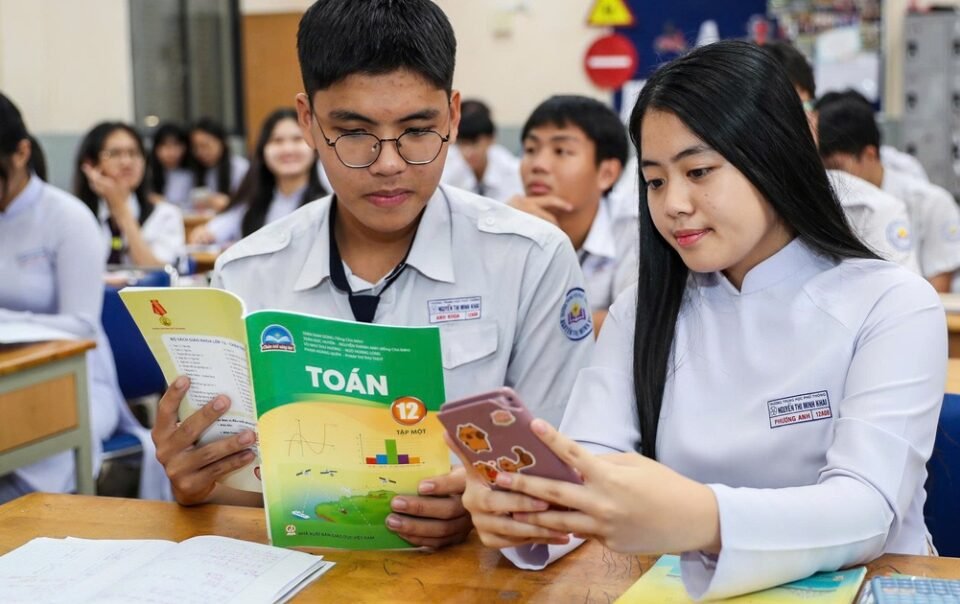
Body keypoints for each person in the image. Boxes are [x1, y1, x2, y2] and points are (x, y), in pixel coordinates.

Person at [455, 41, 945, 600]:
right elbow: (589, 470)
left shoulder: (891, 303)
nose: (673, 204)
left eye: (699, 171)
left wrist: (704, 518)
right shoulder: (644, 308)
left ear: (774, 157)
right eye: (657, 180)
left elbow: (866, 510)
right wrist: (527, 512)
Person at [150, 0, 593, 549]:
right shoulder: (249, 273)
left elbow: (572, 466)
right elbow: (245, 491)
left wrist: (482, 504)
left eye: (416, 129)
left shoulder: (528, 259)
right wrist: (199, 484)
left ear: (453, 115)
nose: (388, 162)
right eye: (355, 131)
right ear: (308, 121)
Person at [0, 93, 169, 502]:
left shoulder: (67, 217)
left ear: (21, 153)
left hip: (76, 382)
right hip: (8, 379)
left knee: (28, 477)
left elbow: (80, 323)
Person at [761, 41, 921, 274]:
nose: (784, 126)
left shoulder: (868, 212)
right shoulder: (715, 212)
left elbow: (901, 304)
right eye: (768, 114)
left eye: (797, 109)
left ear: (814, 117)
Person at [509, 95, 637, 331]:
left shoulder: (634, 231)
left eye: (561, 151)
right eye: (530, 149)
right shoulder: (508, 224)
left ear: (606, 173)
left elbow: (634, 323)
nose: (538, 164)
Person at [817, 91, 960, 292]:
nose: (832, 178)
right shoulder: (830, 202)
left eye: (837, 167)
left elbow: (938, 293)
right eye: (824, 169)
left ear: (869, 155)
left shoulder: (930, 203)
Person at [190, 108, 326, 245]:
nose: (287, 149)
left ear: (315, 148)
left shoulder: (329, 201)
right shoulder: (252, 201)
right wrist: (204, 233)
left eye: (297, 139)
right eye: (277, 141)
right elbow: (217, 228)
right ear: (263, 150)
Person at [74, 122, 185, 267]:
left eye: (134, 153)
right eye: (114, 154)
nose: (127, 162)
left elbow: (158, 275)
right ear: (90, 164)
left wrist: (121, 211)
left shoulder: (165, 214)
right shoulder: (77, 216)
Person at [441, 99, 523, 202]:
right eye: (461, 144)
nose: (468, 152)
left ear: (491, 139)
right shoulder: (447, 166)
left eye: (474, 143)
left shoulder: (513, 171)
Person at [189, 118, 249, 212]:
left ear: (222, 142)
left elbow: (248, 203)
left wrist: (229, 202)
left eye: (205, 146)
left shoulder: (240, 168)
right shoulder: (195, 170)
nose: (200, 152)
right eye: (196, 147)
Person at [148, 122, 193, 209]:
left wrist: (164, 203)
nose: (171, 152)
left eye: (176, 145)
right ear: (156, 149)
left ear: (184, 148)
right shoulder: (147, 173)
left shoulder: (191, 173)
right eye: (165, 146)